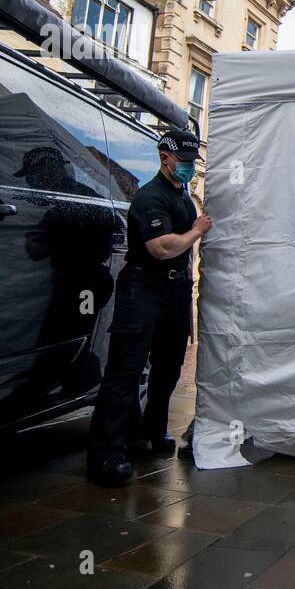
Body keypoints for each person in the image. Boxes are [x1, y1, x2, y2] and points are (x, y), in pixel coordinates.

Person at [86, 128, 211, 486]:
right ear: (165, 158)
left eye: (191, 163)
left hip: (173, 293)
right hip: (143, 290)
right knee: (125, 372)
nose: (188, 168)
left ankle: (149, 433)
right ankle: (106, 456)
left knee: (168, 368)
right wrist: (197, 231)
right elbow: (163, 247)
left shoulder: (182, 197)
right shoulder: (149, 198)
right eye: (183, 162)